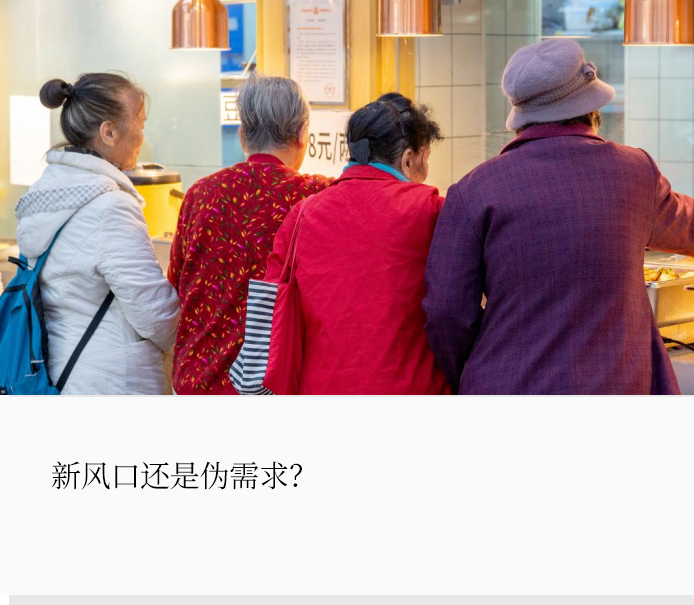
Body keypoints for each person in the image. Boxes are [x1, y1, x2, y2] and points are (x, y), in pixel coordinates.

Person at [422, 40, 694, 395]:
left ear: (519, 117)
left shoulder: (472, 190)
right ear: (592, 111)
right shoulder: (635, 171)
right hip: (614, 388)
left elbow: (446, 312)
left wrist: (479, 371)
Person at [263, 93, 450, 395]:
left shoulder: (302, 215)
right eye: (425, 159)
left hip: (320, 391)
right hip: (410, 388)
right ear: (408, 159)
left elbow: (272, 303)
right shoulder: (432, 209)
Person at [15, 73, 180, 395]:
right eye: (140, 124)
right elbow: (153, 313)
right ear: (109, 132)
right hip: (113, 379)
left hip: (58, 369)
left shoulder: (43, 193)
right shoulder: (110, 205)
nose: (143, 137)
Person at [168, 75, 331, 394]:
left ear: (242, 136)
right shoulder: (315, 197)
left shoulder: (200, 194)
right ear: (303, 135)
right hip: (266, 386)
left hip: (195, 381)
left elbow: (176, 282)